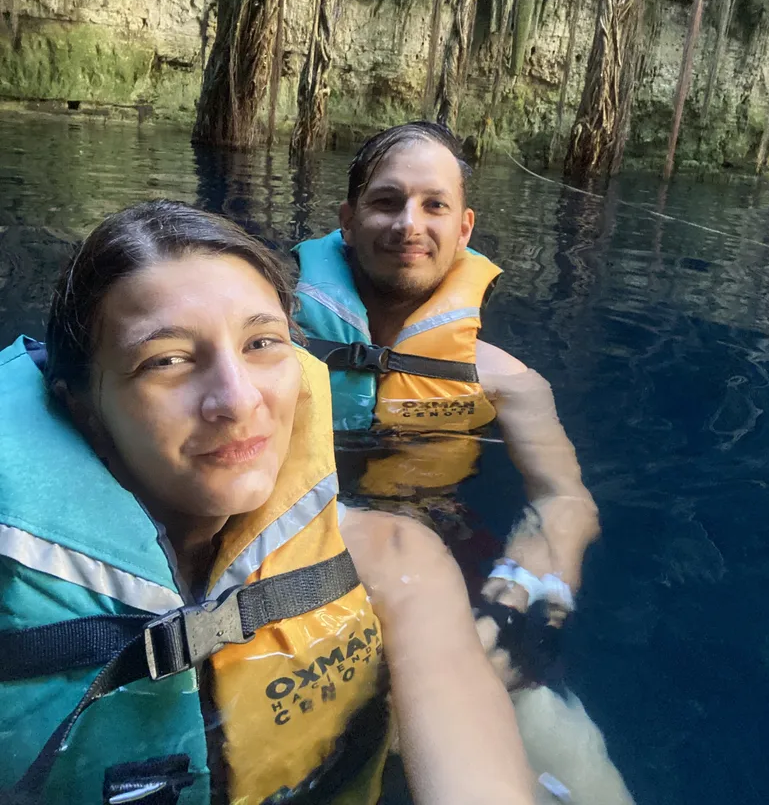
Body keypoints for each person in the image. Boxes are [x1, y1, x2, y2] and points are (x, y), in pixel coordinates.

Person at [0, 200, 535, 805]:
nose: (236, 398)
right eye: (167, 360)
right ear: (83, 408)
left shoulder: (395, 564)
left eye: (261, 342)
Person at [293, 122, 599, 639]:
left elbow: (565, 497)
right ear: (347, 222)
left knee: (540, 711)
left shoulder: (509, 383)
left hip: (441, 560)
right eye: (387, 201)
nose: (408, 224)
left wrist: (532, 562)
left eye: (434, 205)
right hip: (290, 556)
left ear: (464, 230)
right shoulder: (272, 354)